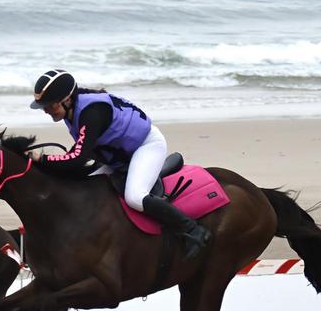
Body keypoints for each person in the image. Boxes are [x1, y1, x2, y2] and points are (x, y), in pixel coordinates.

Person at [29, 69, 211, 259]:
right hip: (119, 157)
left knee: (135, 197)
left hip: (146, 146)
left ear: (66, 100)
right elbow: (83, 151)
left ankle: (193, 230)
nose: (45, 110)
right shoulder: (72, 110)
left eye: (49, 105)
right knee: (84, 188)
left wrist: (41, 159)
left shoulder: (92, 112)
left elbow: (77, 158)